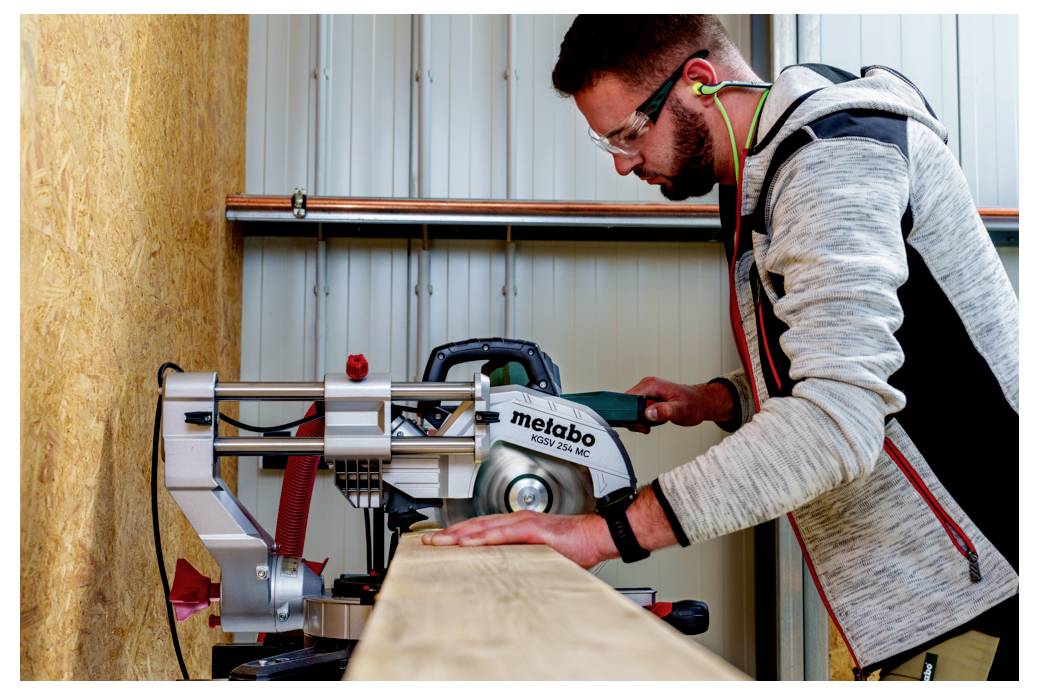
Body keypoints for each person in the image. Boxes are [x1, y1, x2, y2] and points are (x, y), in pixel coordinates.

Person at [422, 15, 1018, 680]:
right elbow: (863, 354)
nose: (622, 163)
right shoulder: (767, 166)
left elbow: (834, 421)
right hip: (921, 584)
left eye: (627, 135)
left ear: (700, 83)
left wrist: (602, 533)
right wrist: (718, 398)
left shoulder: (830, 158)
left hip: (984, 586)